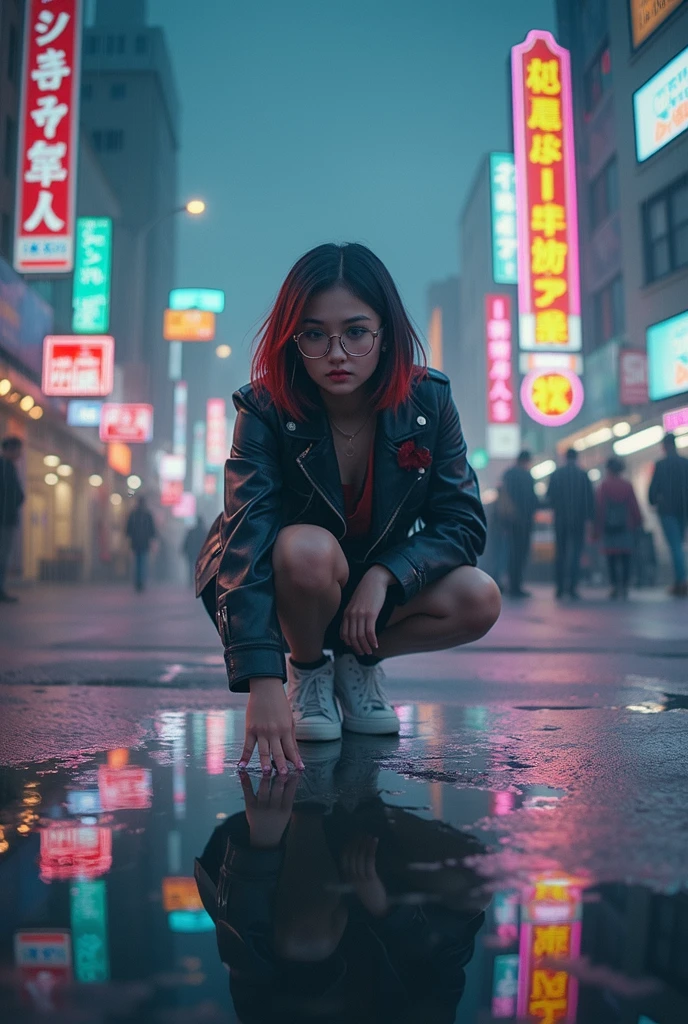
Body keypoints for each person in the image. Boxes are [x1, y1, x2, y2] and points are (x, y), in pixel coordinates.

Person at [195, 242, 500, 774]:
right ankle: (309, 670)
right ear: (293, 340)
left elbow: (463, 522)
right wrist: (263, 680)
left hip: (377, 598)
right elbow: (248, 534)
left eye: (356, 332)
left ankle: (359, 664)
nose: (336, 353)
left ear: (385, 336)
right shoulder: (265, 408)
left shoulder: (428, 402)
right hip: (300, 583)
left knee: (480, 597)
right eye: (315, 334)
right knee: (305, 548)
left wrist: (386, 574)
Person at [194, 743, 487, 1024]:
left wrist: (263, 841)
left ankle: (308, 798)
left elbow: (246, 944)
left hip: (280, 857)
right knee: (475, 885)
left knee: (306, 939)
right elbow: (449, 955)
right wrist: (389, 914)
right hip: (373, 858)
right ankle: (364, 803)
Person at [546, 448, 595, 599]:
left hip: (560, 520)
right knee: (576, 553)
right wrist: (589, 520)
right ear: (577, 458)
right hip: (578, 521)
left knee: (561, 553)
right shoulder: (583, 475)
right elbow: (590, 500)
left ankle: (560, 588)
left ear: (564, 458)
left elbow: (549, 497)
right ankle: (573, 587)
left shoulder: (556, 474)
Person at [594, 457, 642, 600]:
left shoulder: (604, 486)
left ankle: (614, 586)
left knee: (611, 558)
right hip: (625, 526)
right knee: (626, 556)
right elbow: (634, 506)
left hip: (609, 527)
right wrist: (638, 521)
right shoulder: (627, 485)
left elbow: (600, 508)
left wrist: (597, 527)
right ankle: (625, 585)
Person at [649, 433, 688, 597]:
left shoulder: (661, 465)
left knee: (675, 546)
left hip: (668, 511)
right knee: (679, 543)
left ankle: (681, 580)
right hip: (684, 509)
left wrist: (653, 501)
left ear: (665, 446)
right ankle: (681, 580)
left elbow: (653, 490)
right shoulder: (685, 463)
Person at [500, 450, 538, 597]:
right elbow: (532, 500)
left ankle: (511, 584)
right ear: (526, 461)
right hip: (524, 521)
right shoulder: (527, 476)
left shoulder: (508, 474)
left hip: (510, 521)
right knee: (521, 554)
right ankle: (517, 585)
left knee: (511, 553)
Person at [0, 436, 25, 603]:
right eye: (18, 449)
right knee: (3, 555)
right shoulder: (6, 467)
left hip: (6, 518)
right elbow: (14, 495)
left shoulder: (8, 467)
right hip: (5, 519)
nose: (20, 453)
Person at [125, 495, 156, 592]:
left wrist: (130, 536)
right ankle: (141, 581)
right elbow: (152, 530)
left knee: (137, 562)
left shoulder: (133, 514)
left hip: (135, 542)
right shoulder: (147, 515)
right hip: (144, 543)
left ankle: (138, 581)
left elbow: (128, 529)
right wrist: (152, 538)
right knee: (143, 562)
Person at [182, 516, 207, 587]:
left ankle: (190, 582)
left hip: (191, 552)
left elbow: (186, 541)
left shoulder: (191, 531)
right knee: (200, 568)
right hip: (201, 553)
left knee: (190, 568)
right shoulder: (205, 532)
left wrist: (184, 550)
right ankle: (199, 582)